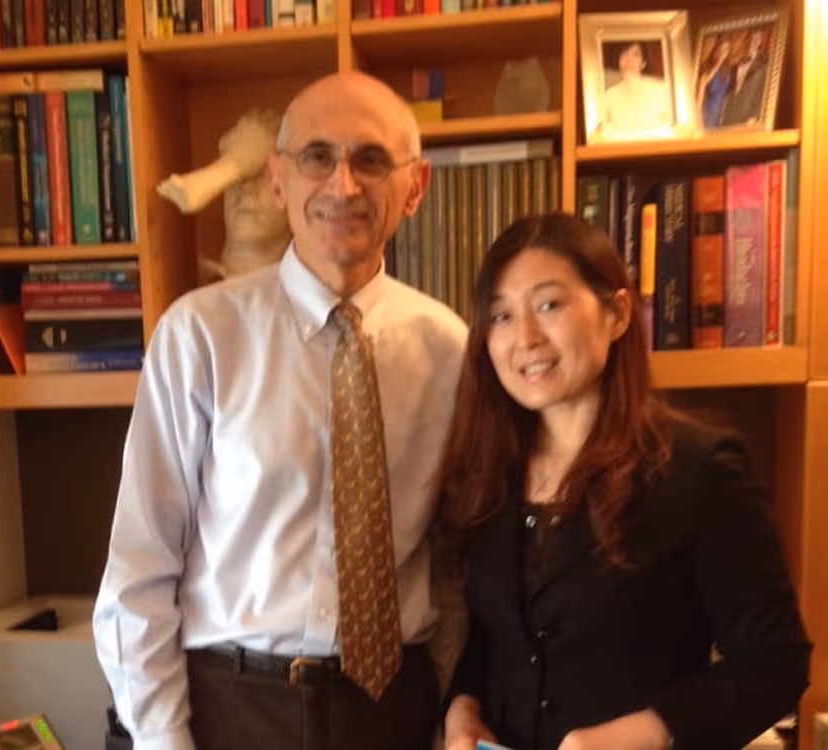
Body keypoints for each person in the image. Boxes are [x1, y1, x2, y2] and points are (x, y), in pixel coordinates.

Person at [92, 70, 469, 750]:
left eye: (372, 160)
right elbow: (139, 571)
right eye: (317, 157)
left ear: (416, 187)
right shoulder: (199, 335)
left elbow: (460, 563)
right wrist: (163, 740)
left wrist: (444, 707)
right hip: (230, 709)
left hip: (392, 712)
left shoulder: (454, 351)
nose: (343, 185)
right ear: (276, 181)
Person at [436, 213, 811, 750]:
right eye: (500, 315)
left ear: (616, 314)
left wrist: (641, 735)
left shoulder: (697, 467)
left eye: (549, 305)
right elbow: (495, 642)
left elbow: (775, 664)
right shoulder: (488, 475)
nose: (525, 337)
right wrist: (462, 710)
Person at [602, 42, 672, 129]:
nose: (628, 60)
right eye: (624, 54)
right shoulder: (610, 95)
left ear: (643, 62)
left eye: (635, 55)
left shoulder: (661, 90)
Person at [719, 30, 769, 127]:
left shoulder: (765, 68)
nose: (754, 43)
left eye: (757, 39)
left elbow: (759, 107)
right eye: (752, 39)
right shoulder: (731, 68)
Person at [697, 38, 733, 129]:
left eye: (726, 49)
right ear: (716, 49)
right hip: (708, 111)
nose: (724, 52)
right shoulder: (707, 68)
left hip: (722, 114)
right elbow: (700, 96)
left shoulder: (727, 69)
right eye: (722, 49)